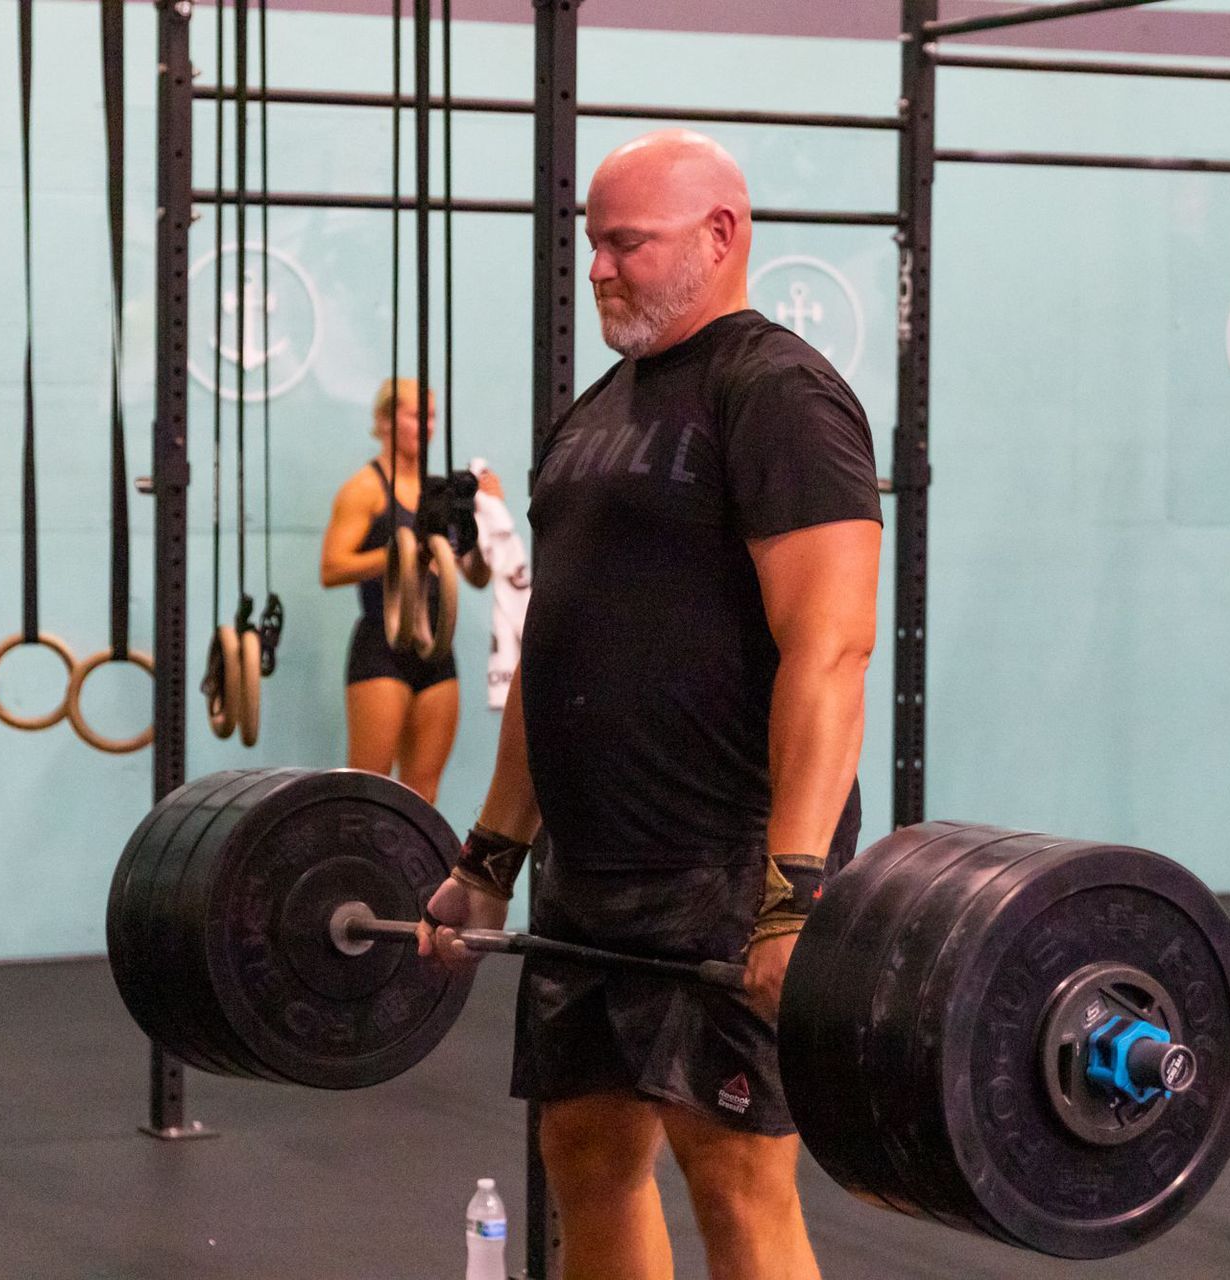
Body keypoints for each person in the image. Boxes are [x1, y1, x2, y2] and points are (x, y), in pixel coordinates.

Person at [420, 129, 882, 1280]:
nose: (599, 269)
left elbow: (831, 647)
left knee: (732, 1172)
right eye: (592, 244)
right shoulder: (589, 417)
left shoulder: (779, 395)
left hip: (725, 865)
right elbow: (555, 653)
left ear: (721, 235)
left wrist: (794, 894)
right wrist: (488, 857)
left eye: (626, 243)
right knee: (582, 1149)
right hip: (595, 865)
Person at [320, 379, 501, 802]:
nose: (428, 426)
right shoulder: (365, 488)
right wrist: (407, 553)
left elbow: (477, 576)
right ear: (385, 422)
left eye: (432, 417)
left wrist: (485, 516)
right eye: (416, 416)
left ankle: (413, 870)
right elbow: (332, 567)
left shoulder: (440, 495)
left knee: (423, 793)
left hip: (436, 648)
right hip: (383, 645)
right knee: (369, 791)